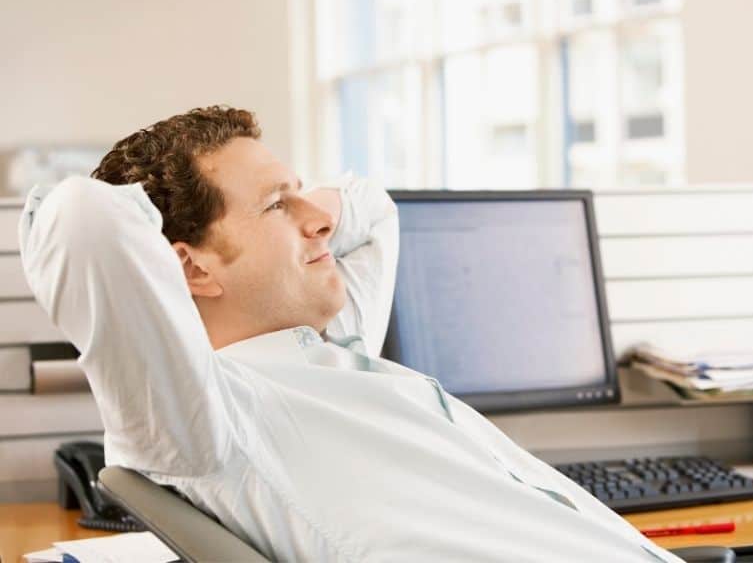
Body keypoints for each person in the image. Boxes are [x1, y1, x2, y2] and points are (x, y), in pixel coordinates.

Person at [20, 106, 681, 562]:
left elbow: (372, 207)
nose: (322, 220)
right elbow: (83, 218)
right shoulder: (203, 417)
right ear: (189, 265)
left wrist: (291, 206)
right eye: (278, 205)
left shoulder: (336, 346)